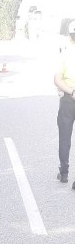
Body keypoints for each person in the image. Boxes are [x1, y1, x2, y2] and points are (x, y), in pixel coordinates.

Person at [53, 20, 75, 188]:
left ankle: (65, 172)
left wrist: (71, 91)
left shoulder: (65, 55)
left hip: (69, 99)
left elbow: (57, 79)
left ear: (70, 36)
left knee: (65, 137)